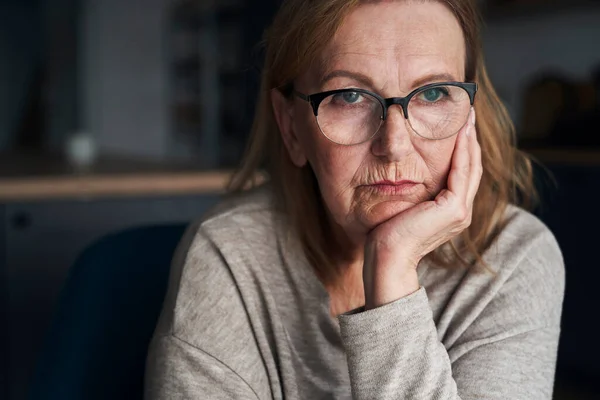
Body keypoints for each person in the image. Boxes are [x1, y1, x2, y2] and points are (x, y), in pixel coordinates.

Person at [144, 0, 565, 398]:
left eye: (434, 93)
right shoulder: (228, 255)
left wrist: (392, 272)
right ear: (291, 128)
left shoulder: (514, 256)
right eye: (349, 96)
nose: (395, 145)